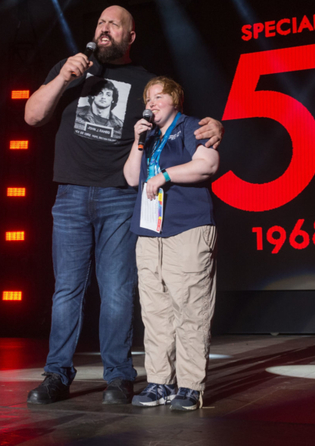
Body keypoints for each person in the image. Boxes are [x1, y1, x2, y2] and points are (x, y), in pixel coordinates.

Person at [23, 5, 223, 405]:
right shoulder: (73, 71)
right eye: (99, 22)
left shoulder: (147, 83)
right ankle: (57, 375)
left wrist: (216, 127)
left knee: (117, 291)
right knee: (66, 290)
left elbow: (185, 124)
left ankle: (118, 377)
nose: (104, 28)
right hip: (71, 194)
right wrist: (64, 77)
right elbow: (32, 116)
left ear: (130, 36)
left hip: (119, 195)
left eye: (114, 24)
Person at [123, 76, 219, 411]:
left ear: (175, 99)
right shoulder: (146, 137)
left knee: (191, 309)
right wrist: (137, 142)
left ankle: (190, 386)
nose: (151, 103)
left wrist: (165, 175)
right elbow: (132, 179)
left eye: (159, 96)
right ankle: (159, 382)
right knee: (155, 313)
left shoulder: (194, 126)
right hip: (149, 233)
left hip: (187, 229)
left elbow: (208, 165)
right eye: (147, 98)